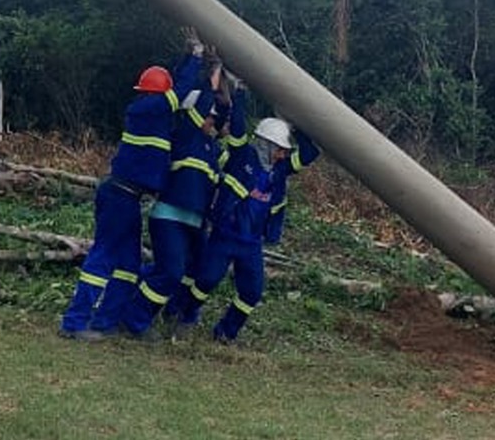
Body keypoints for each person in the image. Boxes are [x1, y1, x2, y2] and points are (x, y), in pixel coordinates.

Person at [60, 39, 201, 339]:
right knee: (103, 257)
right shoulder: (147, 108)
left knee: (128, 265)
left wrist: (189, 56)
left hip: (128, 198)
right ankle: (74, 323)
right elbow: (178, 94)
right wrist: (198, 59)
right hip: (117, 196)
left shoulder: (154, 117)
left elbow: (177, 94)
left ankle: (105, 322)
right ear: (157, 94)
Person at [168, 113, 320, 344]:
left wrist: (294, 125)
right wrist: (239, 92)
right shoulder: (243, 158)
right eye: (280, 149)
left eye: (284, 151)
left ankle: (226, 333)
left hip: (251, 243)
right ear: (266, 145)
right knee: (206, 281)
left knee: (251, 292)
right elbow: (237, 128)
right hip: (225, 235)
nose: (283, 154)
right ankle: (184, 318)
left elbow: (310, 154)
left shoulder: (280, 170)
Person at [117, 66, 241, 340]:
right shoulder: (185, 134)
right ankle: (133, 320)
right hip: (170, 218)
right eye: (208, 116)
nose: (213, 121)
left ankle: (173, 310)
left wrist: (231, 95)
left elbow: (226, 122)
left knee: (195, 270)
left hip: (195, 222)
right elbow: (207, 103)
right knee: (171, 271)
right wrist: (214, 75)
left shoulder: (211, 150)